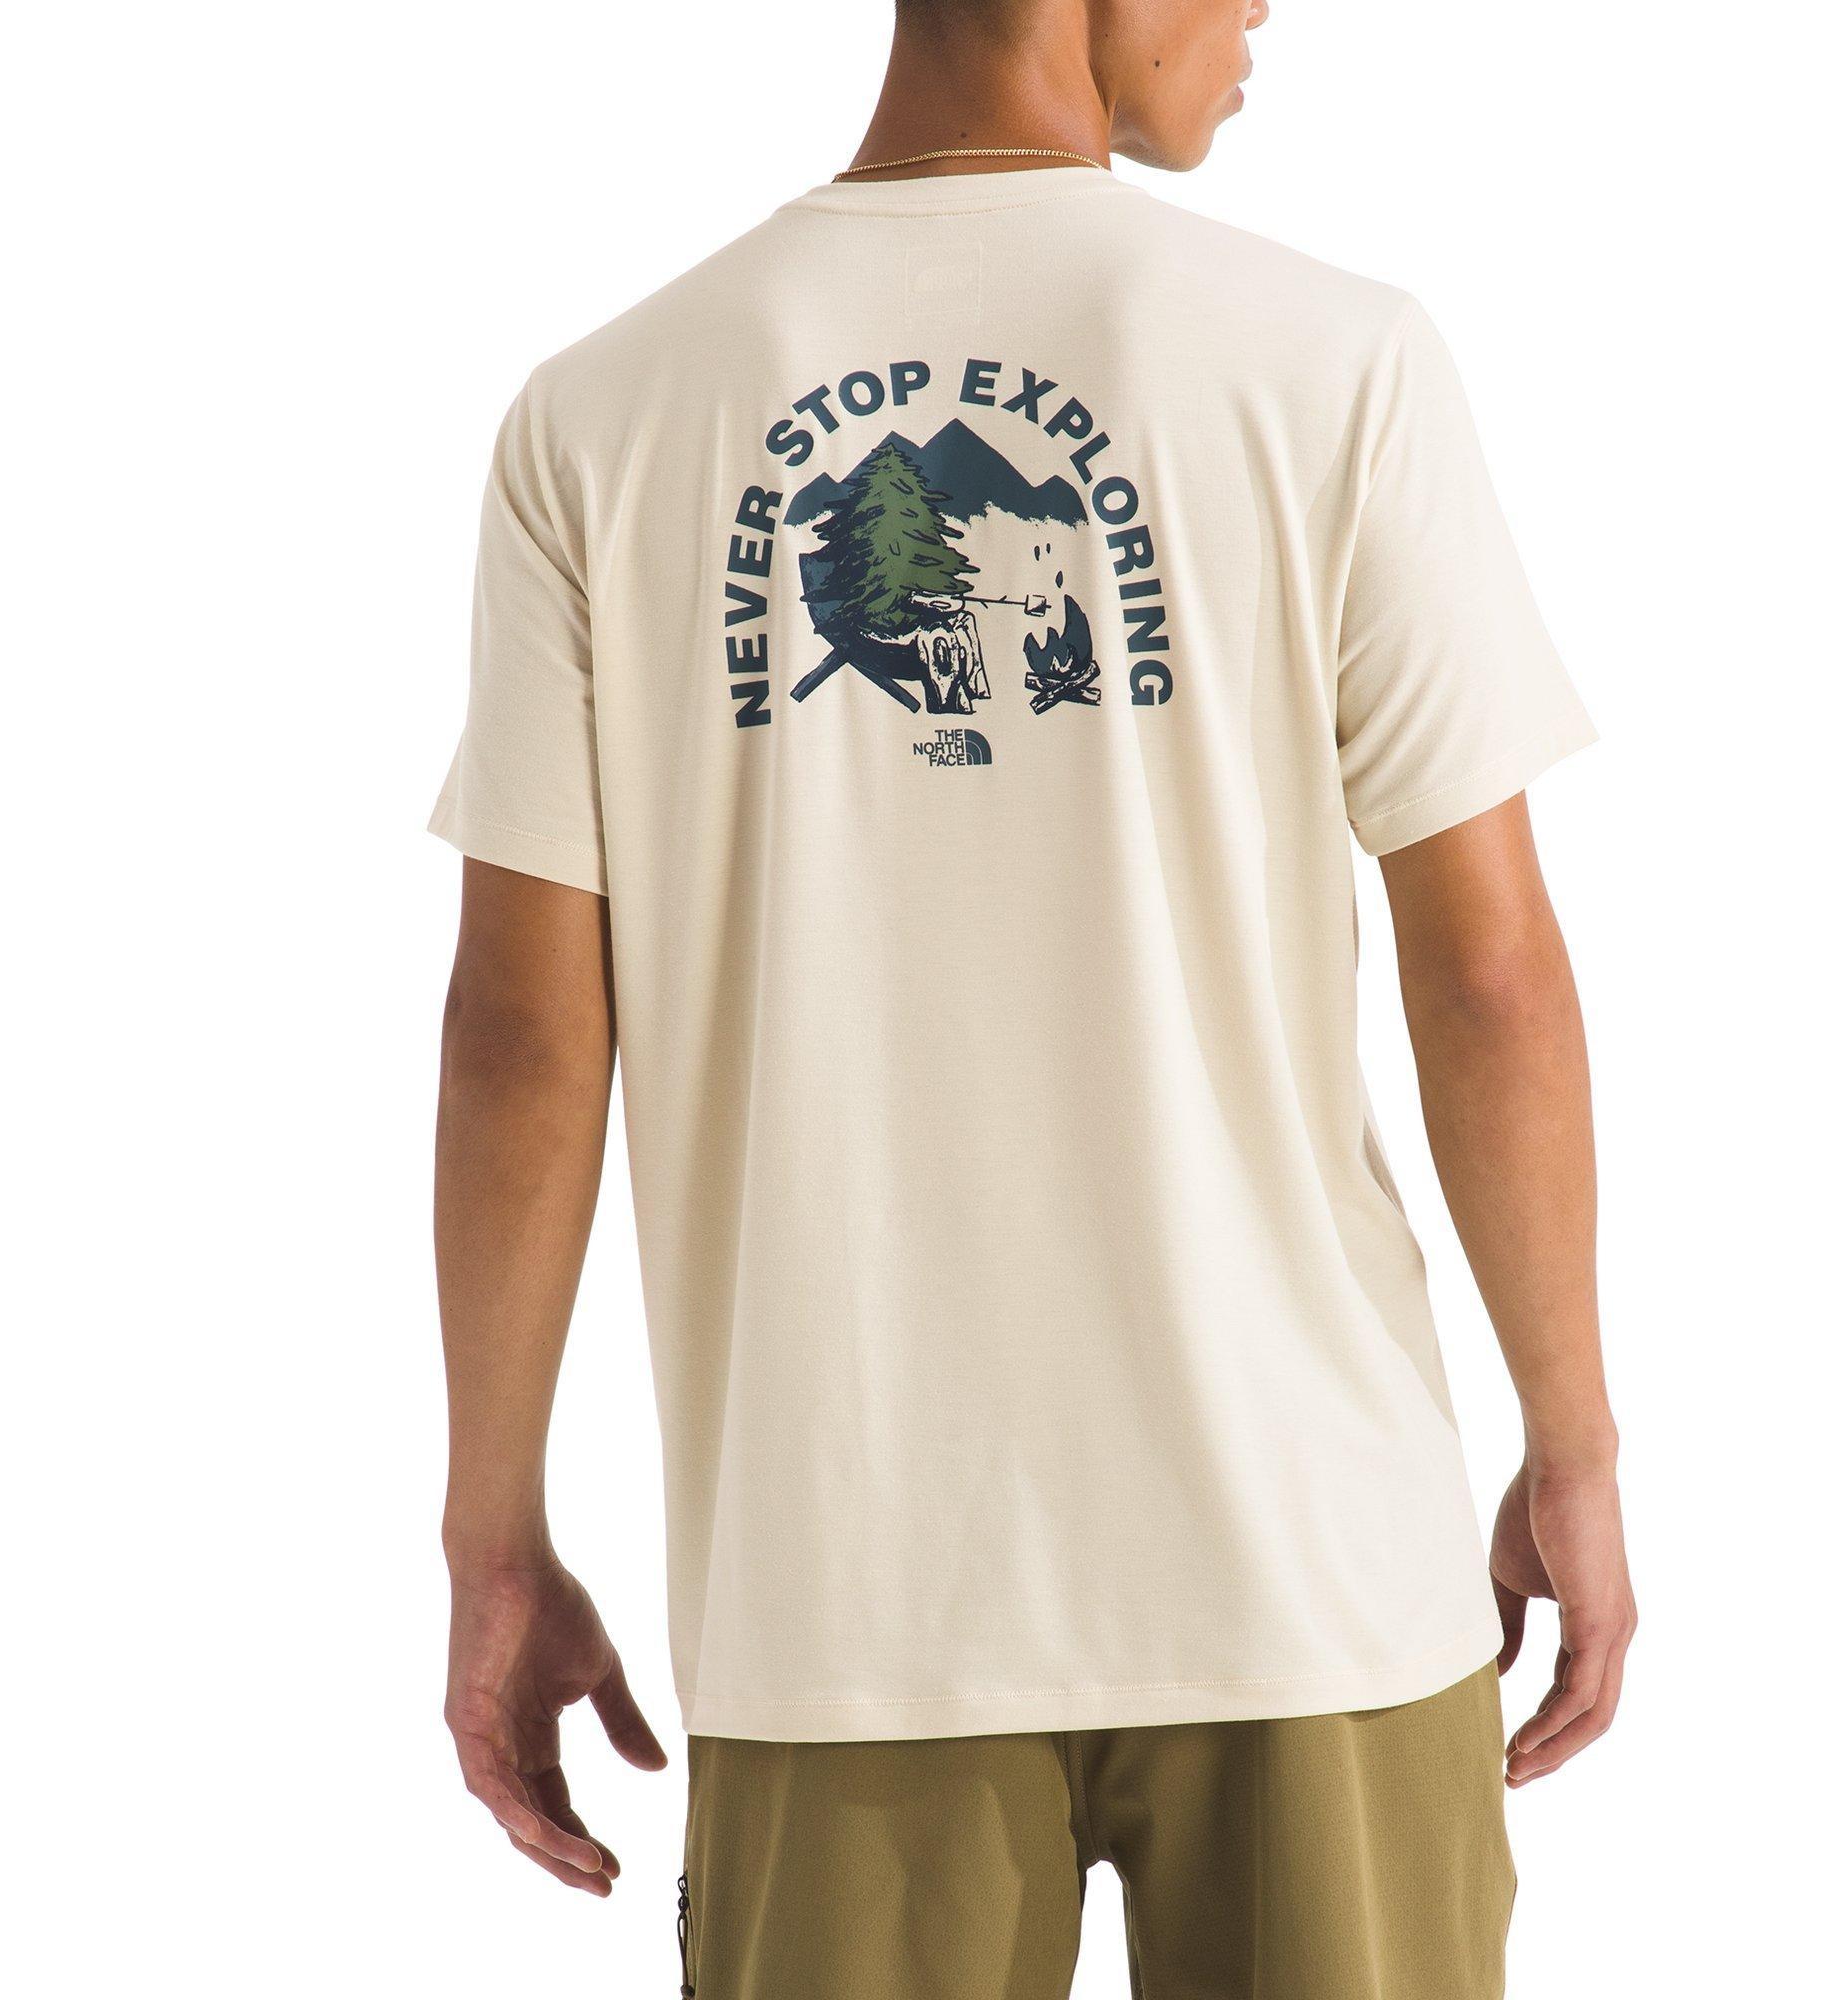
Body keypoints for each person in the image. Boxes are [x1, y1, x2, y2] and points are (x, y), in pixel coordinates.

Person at [430, 1, 1636, 1991]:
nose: (1261, 8)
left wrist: (493, 1533)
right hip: (1308, 1570)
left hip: (842, 1597)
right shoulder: (1332, 361)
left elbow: (522, 1032)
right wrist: (1572, 1444)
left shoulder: (605, 412)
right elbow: (1489, 971)